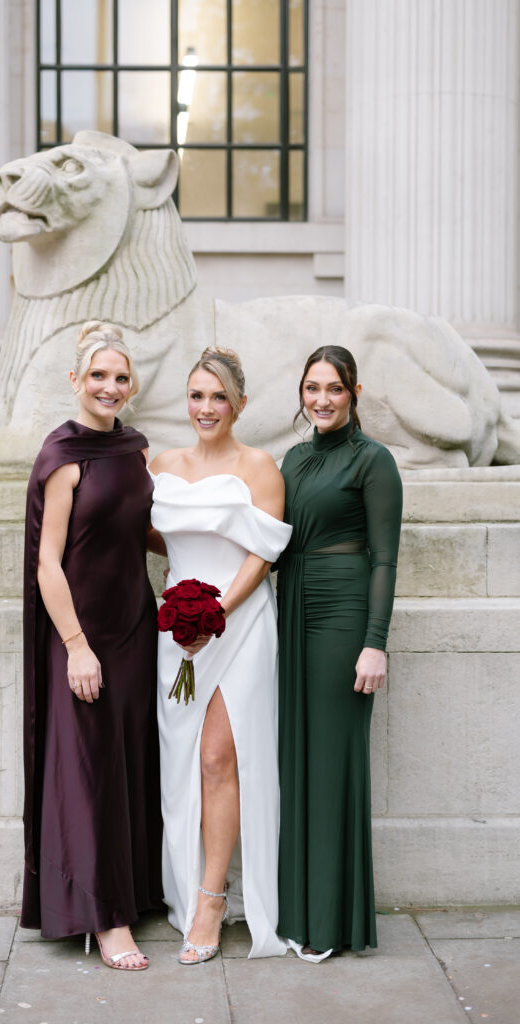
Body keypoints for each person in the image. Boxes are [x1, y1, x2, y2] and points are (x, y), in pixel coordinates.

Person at [20, 321, 162, 971]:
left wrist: (218, 536)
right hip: (82, 635)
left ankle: (133, 892)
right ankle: (105, 919)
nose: (110, 387)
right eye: (99, 375)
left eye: (121, 377)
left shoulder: (134, 450)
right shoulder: (63, 456)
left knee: (129, 763)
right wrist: (76, 646)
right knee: (90, 771)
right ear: (75, 380)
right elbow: (48, 564)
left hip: (135, 627)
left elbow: (143, 531)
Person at [148, 347, 292, 962]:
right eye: (197, 395)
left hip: (240, 624)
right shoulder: (161, 465)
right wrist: (180, 600)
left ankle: (212, 900)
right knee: (183, 761)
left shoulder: (259, 466)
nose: (206, 408)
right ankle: (188, 886)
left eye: (219, 397)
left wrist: (216, 613)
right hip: (178, 636)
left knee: (216, 756)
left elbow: (263, 555)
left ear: (239, 404)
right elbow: (154, 534)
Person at [276, 344, 403, 960]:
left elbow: (385, 559)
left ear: (353, 393)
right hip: (292, 610)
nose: (321, 400)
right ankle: (299, 912)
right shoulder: (293, 459)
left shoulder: (374, 460)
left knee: (331, 764)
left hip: (342, 616)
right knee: (298, 761)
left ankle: (328, 924)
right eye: (312, 388)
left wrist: (374, 643)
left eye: (333, 388)